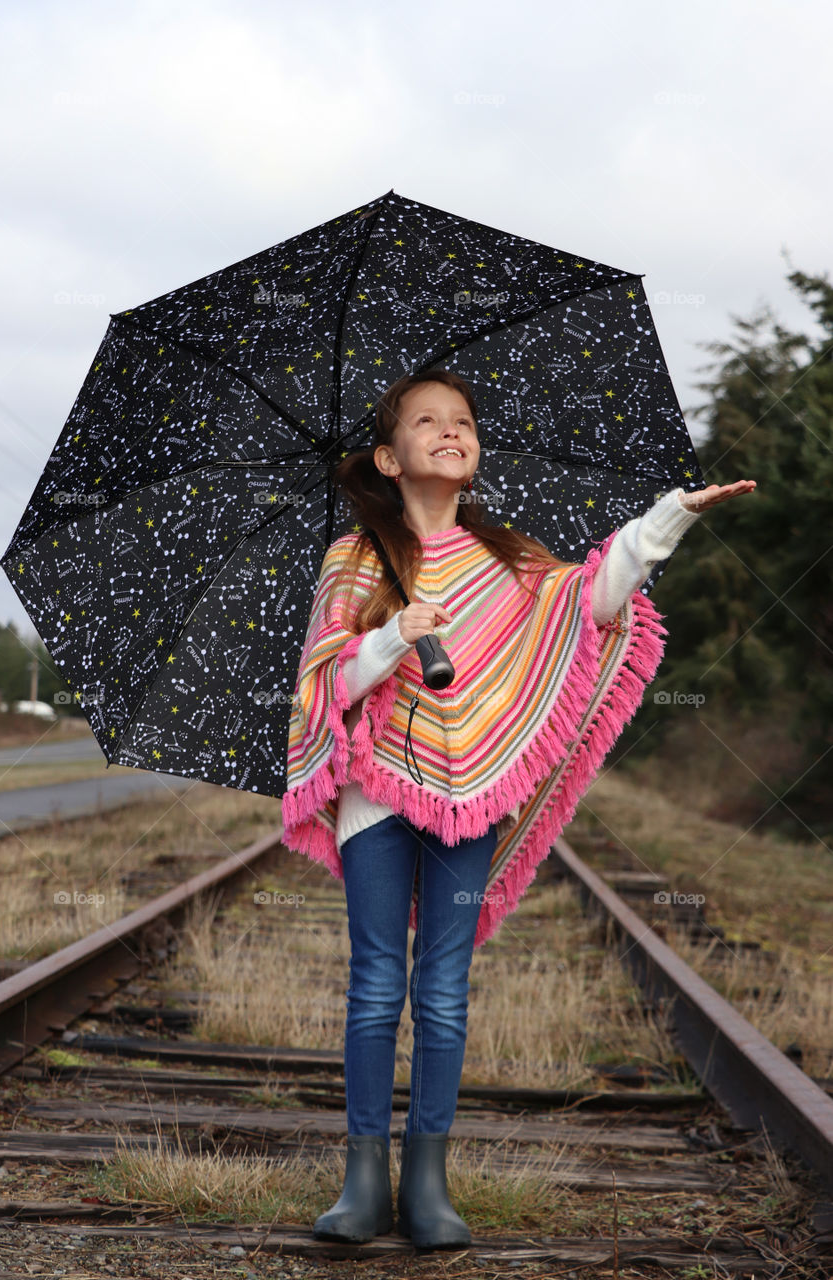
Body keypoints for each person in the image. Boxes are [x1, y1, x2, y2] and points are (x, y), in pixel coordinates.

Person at [281, 369, 756, 1249]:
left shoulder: (510, 561)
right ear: (389, 457)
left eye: (461, 421)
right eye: (426, 421)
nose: (449, 431)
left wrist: (669, 517)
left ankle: (427, 1184)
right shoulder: (354, 559)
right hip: (374, 791)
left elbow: (592, 602)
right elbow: (327, 687)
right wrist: (391, 637)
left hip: (474, 796)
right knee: (377, 982)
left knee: (445, 990)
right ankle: (360, 1184)